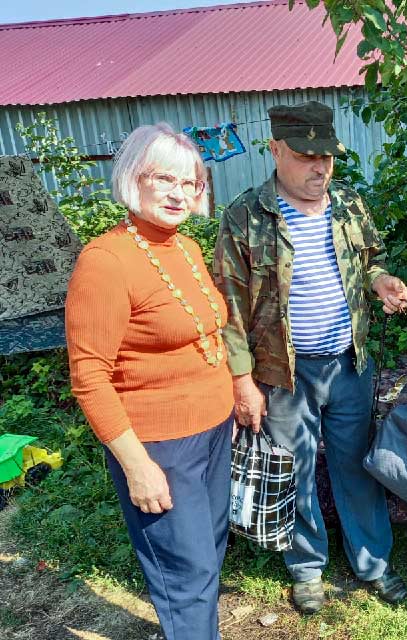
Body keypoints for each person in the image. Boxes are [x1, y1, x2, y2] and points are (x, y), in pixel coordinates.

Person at [213, 101, 407, 615]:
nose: (320, 168)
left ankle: (372, 563)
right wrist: (241, 381)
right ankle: (306, 568)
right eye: (306, 156)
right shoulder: (244, 216)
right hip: (284, 372)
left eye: (327, 156)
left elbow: (370, 263)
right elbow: (228, 308)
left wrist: (382, 282)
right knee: (296, 468)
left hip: (349, 362)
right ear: (275, 149)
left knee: (357, 465)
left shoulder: (349, 205)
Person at [66, 123, 235, 640]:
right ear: (133, 178)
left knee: (208, 553)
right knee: (186, 574)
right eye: (165, 178)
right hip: (158, 445)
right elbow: (89, 378)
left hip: (211, 430)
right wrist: (137, 466)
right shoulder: (106, 262)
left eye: (191, 183)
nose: (179, 193)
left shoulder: (183, 247)